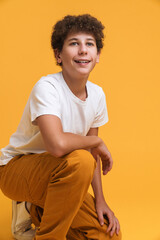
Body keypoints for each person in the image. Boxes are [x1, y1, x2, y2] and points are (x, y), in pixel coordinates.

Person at [0, 14, 121, 240]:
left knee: (107, 235)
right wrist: (95, 142)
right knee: (81, 160)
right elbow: (57, 146)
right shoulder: (46, 87)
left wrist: (101, 200)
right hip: (15, 170)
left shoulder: (97, 95)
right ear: (58, 54)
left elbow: (90, 155)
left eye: (90, 44)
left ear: (97, 56)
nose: (83, 50)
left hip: (60, 176)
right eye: (74, 43)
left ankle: (35, 209)